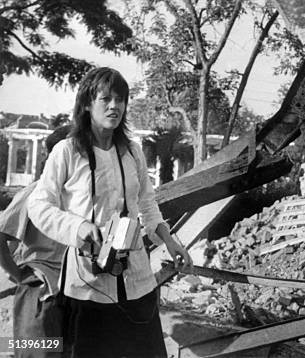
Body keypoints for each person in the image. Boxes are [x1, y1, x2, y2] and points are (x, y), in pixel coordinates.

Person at [27, 67, 192, 358]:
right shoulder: (67, 152)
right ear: (87, 104)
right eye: (105, 99)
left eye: (120, 99)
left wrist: (169, 240)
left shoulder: (132, 151)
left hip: (136, 281)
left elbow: (147, 202)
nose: (114, 106)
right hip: (87, 285)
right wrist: (77, 228)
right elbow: (38, 205)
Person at [0, 125, 71, 358]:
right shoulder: (33, 194)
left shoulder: (81, 199)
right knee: (37, 354)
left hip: (74, 294)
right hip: (39, 295)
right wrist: (20, 275)